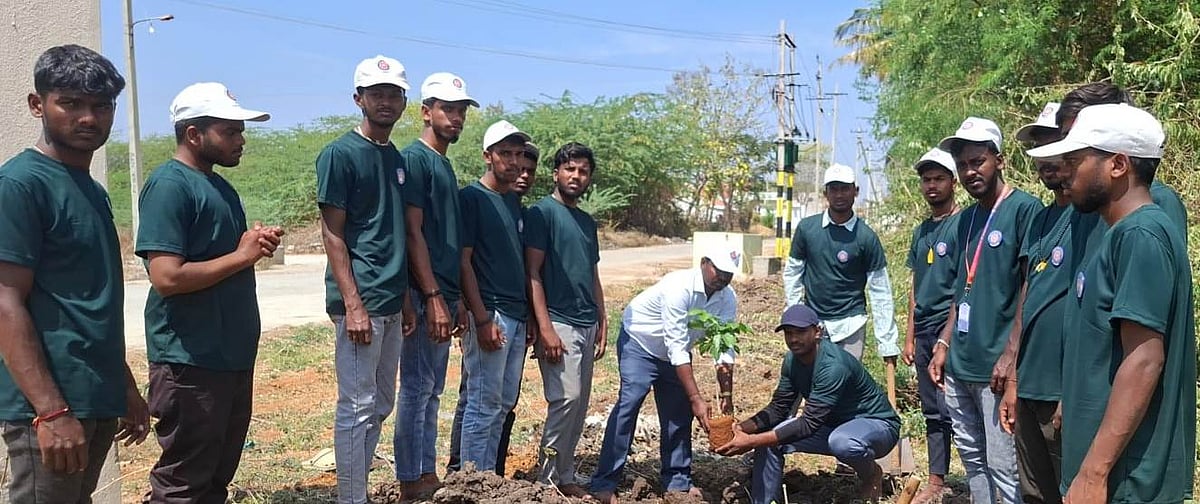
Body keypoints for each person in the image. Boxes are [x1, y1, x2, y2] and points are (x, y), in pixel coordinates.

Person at [0, 44, 149, 503]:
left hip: (93, 396)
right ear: (36, 104)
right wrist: (49, 411)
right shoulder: (21, 185)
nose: (89, 118)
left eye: (101, 106)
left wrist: (123, 388)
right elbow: (5, 301)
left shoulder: (91, 190)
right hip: (51, 407)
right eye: (71, 103)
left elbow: (86, 302)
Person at [1029, 103, 1195, 503]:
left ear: (1118, 165)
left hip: (1126, 481)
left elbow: (1143, 360)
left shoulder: (1142, 235)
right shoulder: (1114, 234)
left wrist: (1093, 472)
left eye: (1075, 160)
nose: (1065, 171)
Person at [137, 82, 281, 503]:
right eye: (230, 131)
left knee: (214, 478)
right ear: (194, 134)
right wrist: (242, 256)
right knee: (182, 483)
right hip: (190, 361)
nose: (241, 140)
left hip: (227, 357)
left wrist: (253, 244)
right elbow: (166, 276)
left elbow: (224, 254)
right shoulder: (169, 185)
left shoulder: (217, 187)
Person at [316, 55, 415, 504]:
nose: (386, 102)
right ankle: (350, 498)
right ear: (358, 99)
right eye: (377, 94)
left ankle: (358, 493)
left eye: (393, 94)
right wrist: (353, 304)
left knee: (380, 404)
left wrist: (406, 299)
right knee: (355, 406)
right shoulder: (341, 154)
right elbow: (332, 234)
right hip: (361, 304)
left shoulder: (393, 156)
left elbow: (395, 231)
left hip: (390, 301)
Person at [928, 117, 1041, 503]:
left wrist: (1011, 355)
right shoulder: (966, 220)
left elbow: (1031, 285)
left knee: (1002, 467)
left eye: (978, 161)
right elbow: (963, 287)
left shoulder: (1025, 210)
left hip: (995, 369)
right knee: (974, 461)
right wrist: (943, 343)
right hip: (961, 363)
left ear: (1000, 160)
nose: (970, 172)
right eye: (963, 165)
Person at [591, 247, 743, 503]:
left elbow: (723, 345)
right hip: (640, 342)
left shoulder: (727, 298)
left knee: (678, 415)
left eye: (729, 274)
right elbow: (676, 345)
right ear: (704, 262)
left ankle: (677, 481)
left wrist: (726, 395)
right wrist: (696, 397)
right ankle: (604, 482)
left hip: (675, 355)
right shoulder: (679, 287)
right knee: (630, 402)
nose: (723, 278)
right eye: (719, 270)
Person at [715, 304, 899, 503]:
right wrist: (739, 429)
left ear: (817, 332)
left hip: (876, 425)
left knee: (842, 443)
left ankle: (871, 473)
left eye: (801, 332)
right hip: (829, 425)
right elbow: (778, 408)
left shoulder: (833, 366)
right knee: (769, 440)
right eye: (789, 333)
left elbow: (808, 423)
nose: (794, 339)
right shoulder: (792, 360)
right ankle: (765, 501)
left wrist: (750, 441)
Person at [396, 71, 477, 498]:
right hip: (422, 293)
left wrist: (456, 297)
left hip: (443, 294)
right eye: (448, 108)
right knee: (416, 386)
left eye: (462, 110)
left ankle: (427, 472)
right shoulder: (415, 159)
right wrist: (431, 296)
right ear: (425, 112)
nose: (457, 117)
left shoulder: (443, 163)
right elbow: (413, 233)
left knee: (432, 390)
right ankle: (411, 479)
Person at [447, 140, 540, 476]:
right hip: (491, 313)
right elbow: (464, 261)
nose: (514, 162)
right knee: (482, 403)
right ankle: (472, 481)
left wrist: (528, 313)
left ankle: (489, 481)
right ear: (488, 156)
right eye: (506, 154)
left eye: (519, 155)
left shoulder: (513, 203)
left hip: (516, 314)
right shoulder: (472, 198)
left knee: (502, 405)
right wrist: (482, 317)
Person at [995, 102, 1071, 503]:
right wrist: (1013, 378)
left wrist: (1071, 391)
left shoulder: (1091, 219)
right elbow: (1030, 294)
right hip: (1029, 385)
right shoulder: (1042, 219)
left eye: (1054, 145)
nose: (1044, 159)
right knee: (1033, 492)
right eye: (1038, 149)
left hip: (1064, 390)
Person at [525, 142, 607, 497]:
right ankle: (546, 479)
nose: (576, 176)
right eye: (570, 169)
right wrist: (545, 328)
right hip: (558, 322)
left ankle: (567, 475)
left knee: (579, 405)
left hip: (587, 322)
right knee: (565, 400)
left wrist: (603, 320)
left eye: (583, 171)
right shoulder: (541, 213)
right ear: (556, 172)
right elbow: (533, 273)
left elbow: (592, 275)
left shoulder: (586, 223)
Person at [782, 163, 898, 362]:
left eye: (845, 188)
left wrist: (887, 342)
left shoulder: (866, 237)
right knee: (812, 385)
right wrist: (797, 313)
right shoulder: (807, 229)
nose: (839, 194)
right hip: (813, 324)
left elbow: (881, 291)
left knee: (845, 384)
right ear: (825, 193)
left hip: (850, 325)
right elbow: (793, 273)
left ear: (855, 191)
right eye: (834, 189)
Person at [901, 147, 960, 504]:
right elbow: (915, 287)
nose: (932, 185)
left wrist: (946, 338)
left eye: (939, 178)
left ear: (953, 182)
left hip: (949, 328)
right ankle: (936, 479)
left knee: (953, 406)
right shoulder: (921, 231)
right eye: (926, 179)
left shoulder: (963, 224)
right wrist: (910, 337)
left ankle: (973, 473)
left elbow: (964, 283)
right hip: (923, 329)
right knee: (931, 409)